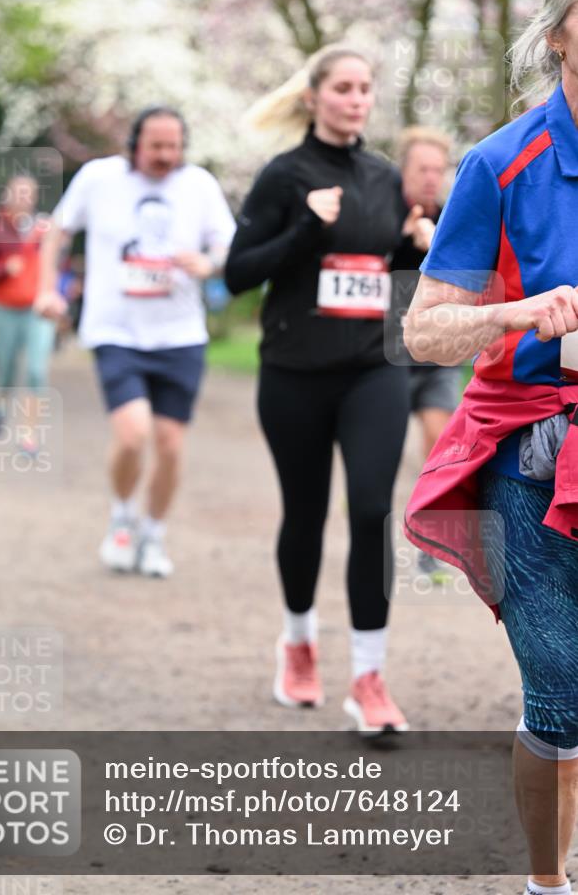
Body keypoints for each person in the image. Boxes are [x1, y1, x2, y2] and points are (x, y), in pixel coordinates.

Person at [403, 0, 578, 895]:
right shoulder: (500, 163)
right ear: (557, 38)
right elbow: (422, 332)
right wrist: (512, 313)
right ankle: (546, 883)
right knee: (561, 693)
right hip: (530, 455)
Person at [225, 45, 430, 734]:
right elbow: (237, 273)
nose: (356, 99)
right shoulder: (283, 176)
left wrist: (413, 248)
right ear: (314, 97)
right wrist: (305, 226)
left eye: (364, 88)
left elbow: (387, 275)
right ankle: (298, 642)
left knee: (371, 509)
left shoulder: (384, 177)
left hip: (373, 369)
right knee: (306, 513)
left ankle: (369, 678)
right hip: (294, 374)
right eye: (342, 87)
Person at [35, 106, 236, 578]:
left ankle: (154, 535)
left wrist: (209, 264)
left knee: (170, 444)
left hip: (180, 335)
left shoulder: (199, 185)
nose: (165, 155)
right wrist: (46, 289)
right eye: (155, 146)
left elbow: (228, 246)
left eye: (174, 147)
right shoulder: (98, 178)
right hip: (116, 331)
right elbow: (57, 232)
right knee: (132, 433)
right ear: (134, 145)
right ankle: (122, 517)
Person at [390, 126, 462, 581]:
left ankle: (429, 548)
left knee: (438, 443)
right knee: (378, 449)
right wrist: (399, 239)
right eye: (423, 169)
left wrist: (436, 247)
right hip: (385, 355)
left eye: (438, 169)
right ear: (404, 172)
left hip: (436, 355)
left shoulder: (455, 215)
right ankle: (367, 498)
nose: (432, 178)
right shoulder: (381, 213)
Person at [0, 174, 55, 451]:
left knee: (36, 371)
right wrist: (3, 269)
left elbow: (57, 264)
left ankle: (29, 435)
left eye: (29, 193)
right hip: (3, 309)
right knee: (5, 369)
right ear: (7, 195)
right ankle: (0, 408)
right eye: (19, 192)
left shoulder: (45, 227)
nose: (24, 198)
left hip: (37, 310)